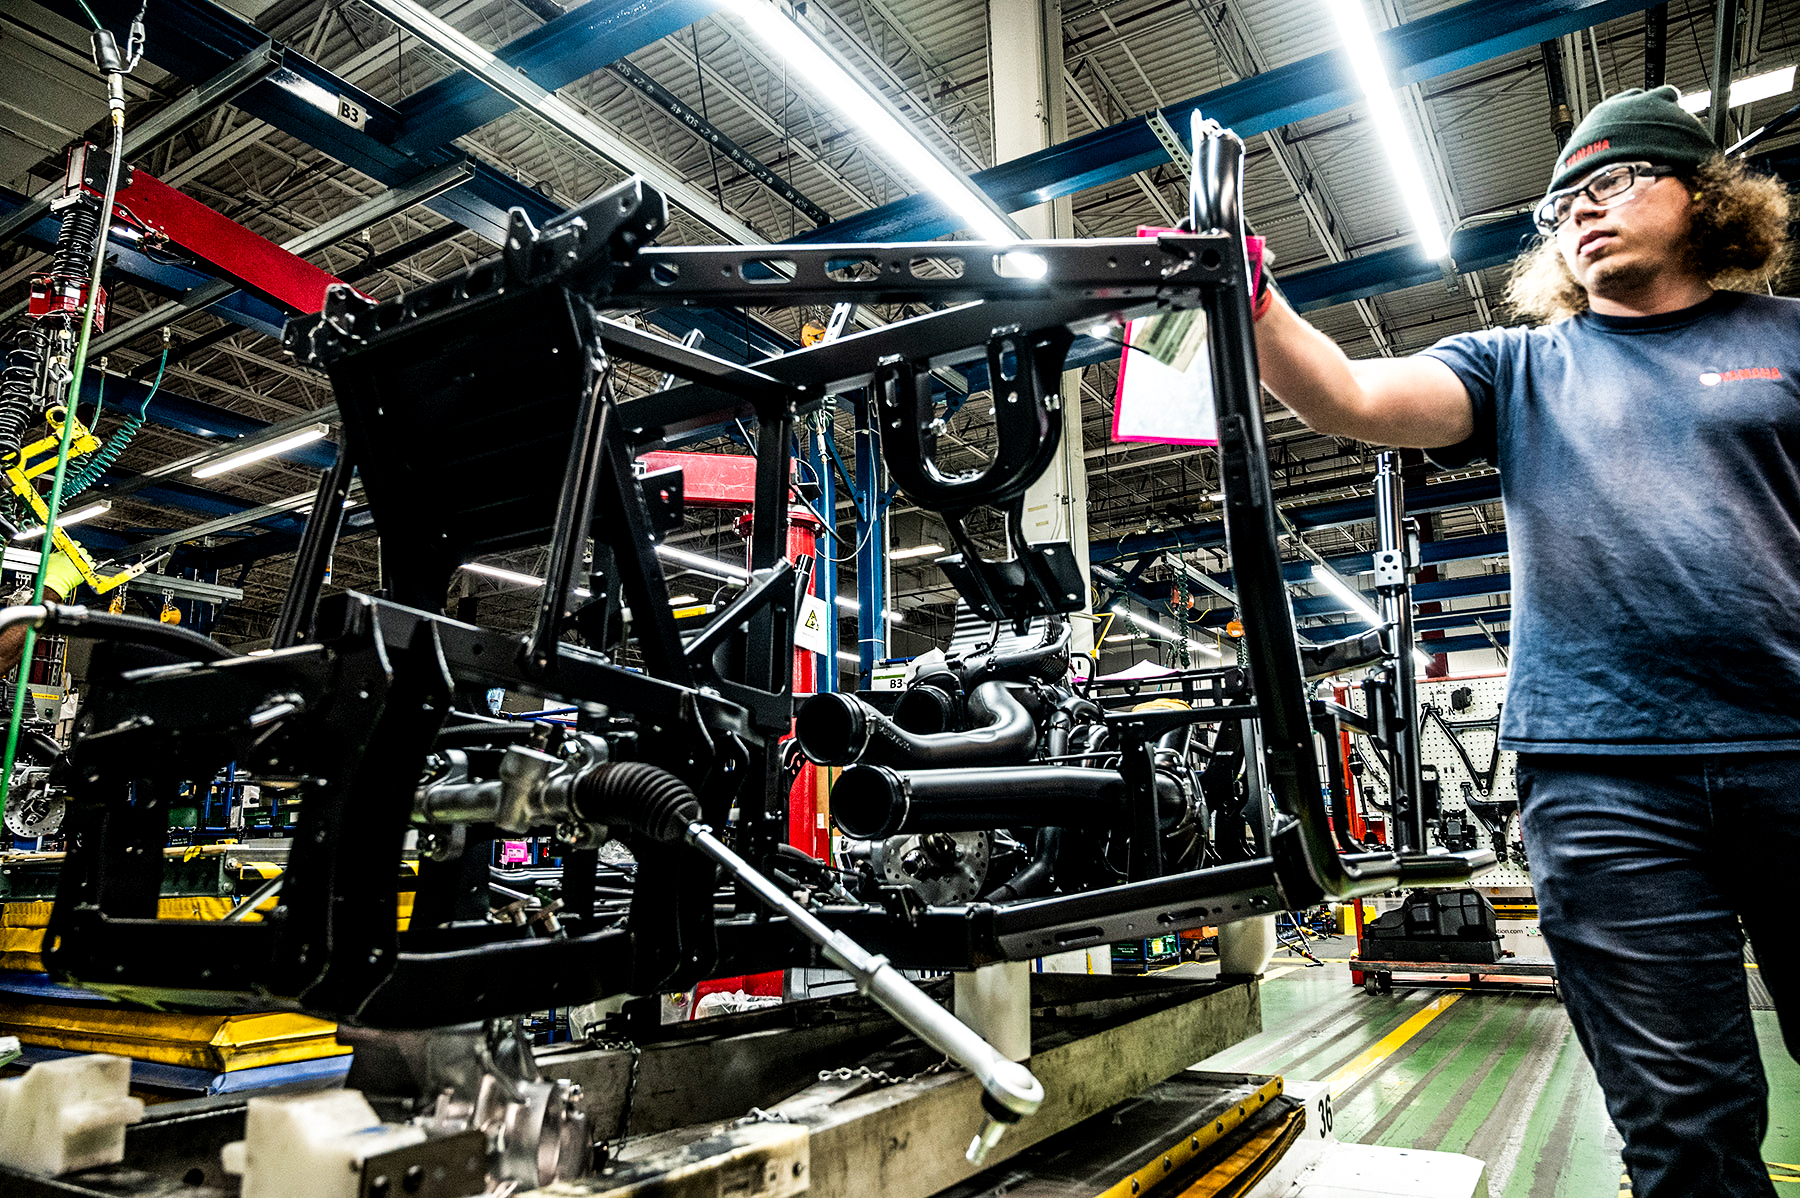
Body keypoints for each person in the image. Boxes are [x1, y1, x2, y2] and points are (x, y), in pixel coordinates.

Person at [1249, 85, 1797, 1197]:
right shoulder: (1518, 369)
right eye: (1561, 208)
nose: (1582, 214)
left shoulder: (1787, 341)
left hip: (1791, 744)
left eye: (1610, 184)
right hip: (1602, 781)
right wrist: (1249, 297)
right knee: (1684, 1121)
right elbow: (1350, 394)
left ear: (1701, 194)